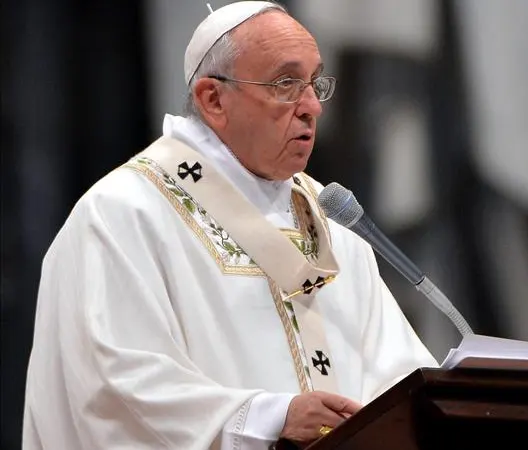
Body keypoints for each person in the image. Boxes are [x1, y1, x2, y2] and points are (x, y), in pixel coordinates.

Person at [22, 2, 438, 449]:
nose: (312, 107)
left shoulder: (335, 228)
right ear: (213, 99)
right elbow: (110, 390)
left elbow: (402, 386)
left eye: (315, 82)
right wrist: (269, 417)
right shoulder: (123, 215)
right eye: (286, 84)